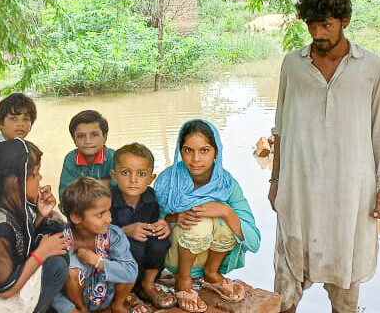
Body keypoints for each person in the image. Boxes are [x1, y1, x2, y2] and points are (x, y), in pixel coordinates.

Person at [268, 0, 380, 313]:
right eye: (312, 24)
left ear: (345, 21)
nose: (318, 32)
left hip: (350, 190)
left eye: (326, 24)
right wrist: (275, 181)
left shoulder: (371, 66)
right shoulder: (292, 65)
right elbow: (280, 127)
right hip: (299, 186)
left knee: (345, 279)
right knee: (287, 277)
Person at [155, 119, 260, 313]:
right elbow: (151, 223)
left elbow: (254, 241)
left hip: (208, 257)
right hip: (175, 256)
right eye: (188, 150)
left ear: (216, 152)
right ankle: (183, 279)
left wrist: (226, 212)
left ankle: (212, 273)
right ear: (180, 151)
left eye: (204, 150)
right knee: (199, 221)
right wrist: (173, 218)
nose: (196, 159)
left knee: (224, 218)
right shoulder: (167, 182)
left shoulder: (227, 184)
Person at [0, 138, 69, 313]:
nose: (40, 178)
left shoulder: (11, 206)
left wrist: (41, 216)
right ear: (15, 181)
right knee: (55, 266)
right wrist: (41, 253)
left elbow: (20, 241)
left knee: (56, 229)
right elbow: (6, 291)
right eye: (35, 173)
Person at [51, 176, 144, 313]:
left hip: (108, 293)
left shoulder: (114, 235)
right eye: (100, 215)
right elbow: (51, 283)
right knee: (70, 271)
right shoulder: (59, 239)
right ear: (76, 217)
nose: (109, 218)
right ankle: (82, 309)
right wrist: (68, 309)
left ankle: (117, 305)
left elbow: (131, 272)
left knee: (126, 265)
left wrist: (97, 261)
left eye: (108, 210)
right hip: (75, 298)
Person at [109, 143, 174, 309]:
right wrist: (124, 231)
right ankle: (126, 291)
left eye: (141, 174)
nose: (133, 180)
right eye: (125, 173)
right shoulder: (106, 199)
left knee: (161, 241)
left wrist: (164, 226)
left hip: (143, 259)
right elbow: (95, 232)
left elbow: (159, 219)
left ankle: (148, 284)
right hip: (116, 261)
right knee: (132, 246)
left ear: (151, 178)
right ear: (114, 175)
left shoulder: (152, 197)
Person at [60, 110, 115, 190]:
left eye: (94, 135)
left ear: (104, 138)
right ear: (74, 140)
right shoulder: (71, 159)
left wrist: (79, 188)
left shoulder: (114, 157)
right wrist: (105, 183)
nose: (88, 141)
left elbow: (121, 187)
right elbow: (65, 193)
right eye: (81, 136)